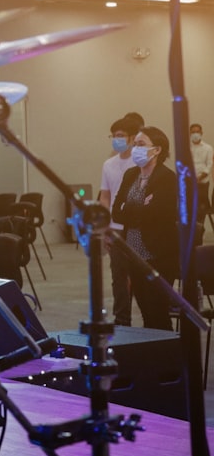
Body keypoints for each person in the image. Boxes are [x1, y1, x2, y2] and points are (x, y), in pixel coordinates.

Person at [111, 127, 179, 330]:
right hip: (133, 255)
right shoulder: (131, 174)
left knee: (158, 311)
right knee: (145, 311)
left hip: (158, 255)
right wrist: (141, 206)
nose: (135, 149)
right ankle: (151, 356)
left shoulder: (167, 178)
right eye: (135, 145)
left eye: (141, 145)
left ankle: (167, 357)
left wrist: (132, 209)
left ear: (156, 150)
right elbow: (117, 212)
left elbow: (158, 215)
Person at [99, 117, 137, 326]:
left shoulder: (139, 163)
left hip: (136, 229)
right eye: (114, 136)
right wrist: (105, 228)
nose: (116, 139)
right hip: (115, 229)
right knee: (119, 277)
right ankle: (122, 319)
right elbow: (105, 196)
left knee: (140, 276)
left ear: (132, 138)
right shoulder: (108, 164)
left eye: (120, 135)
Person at [190, 122, 212, 239]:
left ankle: (199, 236)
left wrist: (199, 177)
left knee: (201, 212)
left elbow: (209, 166)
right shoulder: (186, 148)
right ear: (189, 134)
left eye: (197, 132)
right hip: (189, 185)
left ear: (201, 133)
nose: (195, 134)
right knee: (189, 211)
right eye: (193, 132)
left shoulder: (208, 148)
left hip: (202, 185)